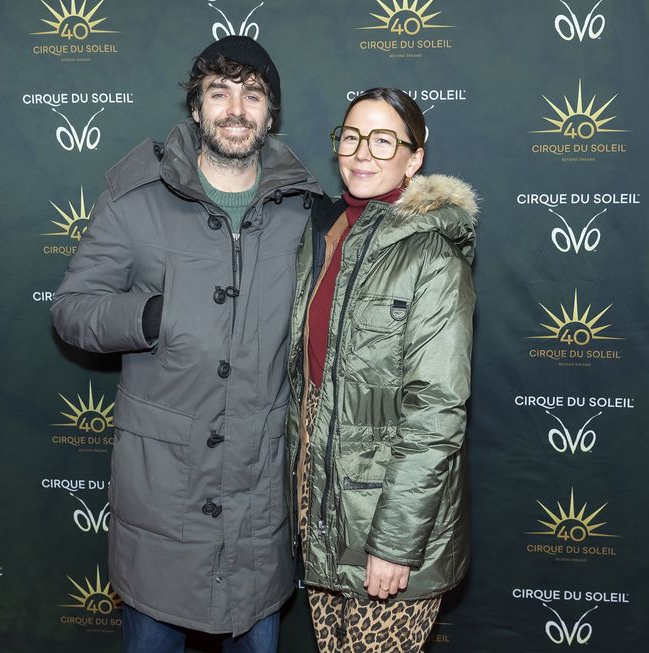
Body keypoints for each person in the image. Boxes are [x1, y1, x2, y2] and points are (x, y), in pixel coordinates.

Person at [51, 36, 322, 653]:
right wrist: (153, 315)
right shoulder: (135, 198)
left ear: (270, 112)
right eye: (218, 92)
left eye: (251, 95)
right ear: (195, 108)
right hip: (163, 499)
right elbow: (72, 310)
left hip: (258, 499)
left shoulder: (302, 210)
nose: (235, 108)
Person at [286, 88, 476, 651]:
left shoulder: (432, 255)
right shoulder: (324, 235)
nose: (362, 152)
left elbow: (436, 410)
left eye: (383, 139)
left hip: (392, 521)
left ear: (414, 157)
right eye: (351, 136)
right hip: (321, 502)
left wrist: (394, 542)